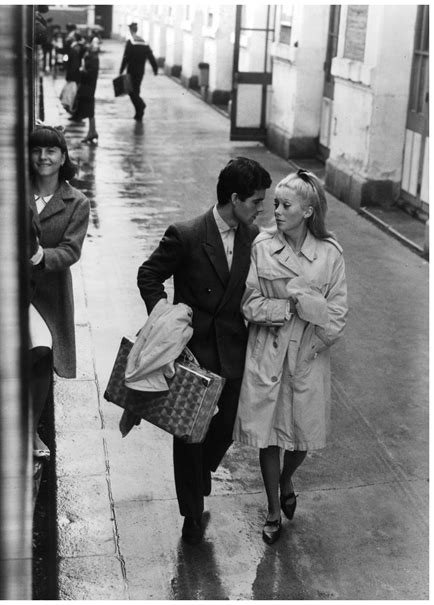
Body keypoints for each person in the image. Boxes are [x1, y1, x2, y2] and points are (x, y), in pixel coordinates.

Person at [137, 157, 272, 544]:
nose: (260, 209)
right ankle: (192, 512)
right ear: (234, 198)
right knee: (188, 433)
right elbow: (149, 274)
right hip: (193, 351)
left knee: (230, 423)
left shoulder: (252, 236)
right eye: (256, 201)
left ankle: (202, 474)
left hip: (233, 348)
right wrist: (166, 317)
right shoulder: (187, 234)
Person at [232, 169, 348, 544]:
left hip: (308, 353)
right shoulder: (262, 246)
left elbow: (338, 312)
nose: (276, 211)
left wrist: (316, 341)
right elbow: (249, 303)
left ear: (309, 211)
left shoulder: (329, 255)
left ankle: (286, 478)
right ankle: (271, 508)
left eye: (285, 205)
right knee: (268, 436)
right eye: (275, 204)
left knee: (301, 438)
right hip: (268, 349)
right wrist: (286, 308)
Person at [28, 125, 90, 458]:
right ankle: (27, 432)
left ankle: (29, 431)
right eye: (37, 150)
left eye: (51, 151)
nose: (43, 157)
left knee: (43, 352)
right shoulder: (17, 191)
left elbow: (71, 250)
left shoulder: (76, 202)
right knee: (36, 349)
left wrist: (42, 256)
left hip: (49, 294)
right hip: (17, 291)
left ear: (63, 157)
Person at [119, 22, 158, 121]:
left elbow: (126, 58)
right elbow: (151, 56)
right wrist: (155, 68)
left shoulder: (130, 42)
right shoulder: (144, 42)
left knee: (131, 92)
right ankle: (139, 113)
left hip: (131, 71)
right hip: (140, 72)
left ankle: (141, 105)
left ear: (131, 30)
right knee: (136, 91)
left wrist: (121, 69)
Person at [71, 37, 100, 143]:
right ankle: (92, 132)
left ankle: (92, 132)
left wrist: (82, 71)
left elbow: (90, 74)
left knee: (89, 110)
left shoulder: (93, 59)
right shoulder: (91, 57)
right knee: (90, 111)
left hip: (88, 87)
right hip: (88, 87)